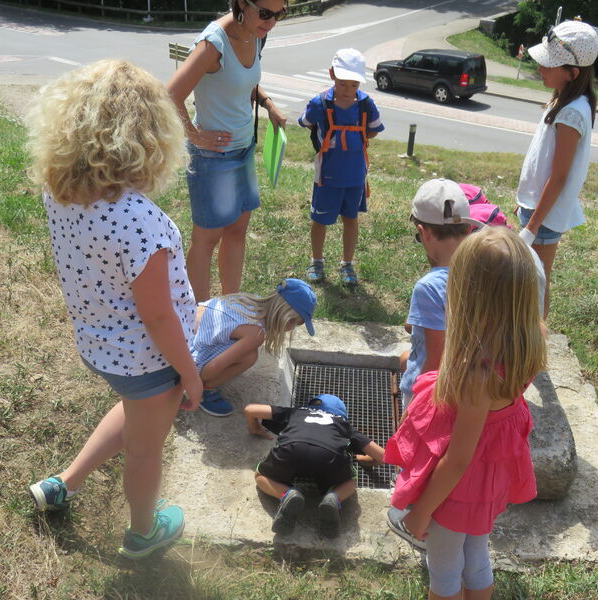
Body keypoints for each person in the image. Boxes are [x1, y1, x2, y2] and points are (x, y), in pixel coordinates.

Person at [25, 59, 203, 560]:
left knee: (133, 412)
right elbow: (159, 316)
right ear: (150, 136)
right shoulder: (141, 221)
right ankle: (144, 533)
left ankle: (64, 482)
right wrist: (189, 374)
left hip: (100, 344)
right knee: (147, 449)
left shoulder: (59, 190)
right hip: (149, 359)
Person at [385, 227, 546, 600]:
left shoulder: (479, 373)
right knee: (475, 555)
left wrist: (423, 510)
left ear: (469, 294)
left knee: (443, 569)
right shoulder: (529, 338)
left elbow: (458, 459)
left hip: (457, 488)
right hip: (490, 479)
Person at [167, 0, 288, 302]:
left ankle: (230, 306)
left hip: (243, 149)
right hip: (214, 158)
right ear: (241, 4)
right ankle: (201, 316)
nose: (270, 22)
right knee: (207, 239)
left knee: (237, 231)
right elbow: (169, 96)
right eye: (265, 13)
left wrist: (268, 104)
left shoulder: (256, 32)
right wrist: (195, 137)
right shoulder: (213, 44)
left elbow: (242, 81)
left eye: (279, 14)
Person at [398, 179, 546, 412]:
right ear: (468, 228)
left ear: (423, 232)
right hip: (467, 391)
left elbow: (433, 366)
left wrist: (413, 413)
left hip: (428, 397)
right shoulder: (487, 271)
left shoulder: (428, 287)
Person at [516, 19, 598, 316]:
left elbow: (560, 175)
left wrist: (533, 224)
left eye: (548, 65)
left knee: (536, 285)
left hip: (544, 217)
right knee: (528, 283)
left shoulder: (572, 113)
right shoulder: (563, 102)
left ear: (572, 73)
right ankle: (527, 345)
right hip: (536, 209)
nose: (540, 69)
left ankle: (534, 349)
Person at [298, 48, 384, 287]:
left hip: (356, 175)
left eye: (353, 85)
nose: (347, 91)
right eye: (343, 84)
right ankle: (317, 260)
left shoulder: (366, 104)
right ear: (331, 74)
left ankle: (347, 264)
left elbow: (375, 130)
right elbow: (305, 121)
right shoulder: (319, 103)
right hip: (327, 175)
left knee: (351, 218)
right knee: (320, 220)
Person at [245, 394, 385, 537]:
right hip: (329, 459)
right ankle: (333, 498)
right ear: (342, 415)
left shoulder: (295, 412)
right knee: (350, 482)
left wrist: (255, 428)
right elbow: (383, 456)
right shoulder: (344, 426)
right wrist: (366, 460)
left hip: (291, 451)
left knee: (261, 476)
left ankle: (287, 494)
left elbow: (250, 410)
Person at [192, 278, 316, 416]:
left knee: (244, 352)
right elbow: (215, 366)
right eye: (297, 323)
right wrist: (193, 382)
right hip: (187, 358)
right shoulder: (255, 334)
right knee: (250, 357)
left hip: (184, 330)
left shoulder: (249, 301)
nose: (292, 328)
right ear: (287, 318)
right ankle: (205, 389)